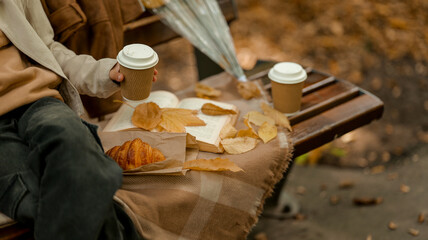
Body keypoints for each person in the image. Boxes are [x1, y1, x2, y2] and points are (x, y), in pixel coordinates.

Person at [0, 0, 156, 239]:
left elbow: (48, 48)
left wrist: (106, 72)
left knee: (80, 160)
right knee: (38, 196)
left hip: (39, 102)